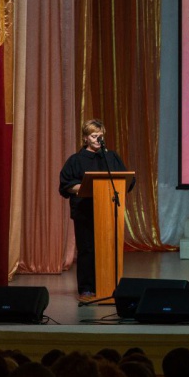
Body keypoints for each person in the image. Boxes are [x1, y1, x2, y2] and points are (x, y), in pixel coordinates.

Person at [59, 119, 135, 302]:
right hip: (85, 212)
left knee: (109, 248)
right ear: (85, 138)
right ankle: (87, 288)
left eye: (100, 136)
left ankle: (111, 285)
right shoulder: (76, 160)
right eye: (94, 136)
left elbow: (127, 180)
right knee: (87, 249)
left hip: (109, 211)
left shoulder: (111, 157)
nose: (98, 139)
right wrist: (87, 187)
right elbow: (66, 185)